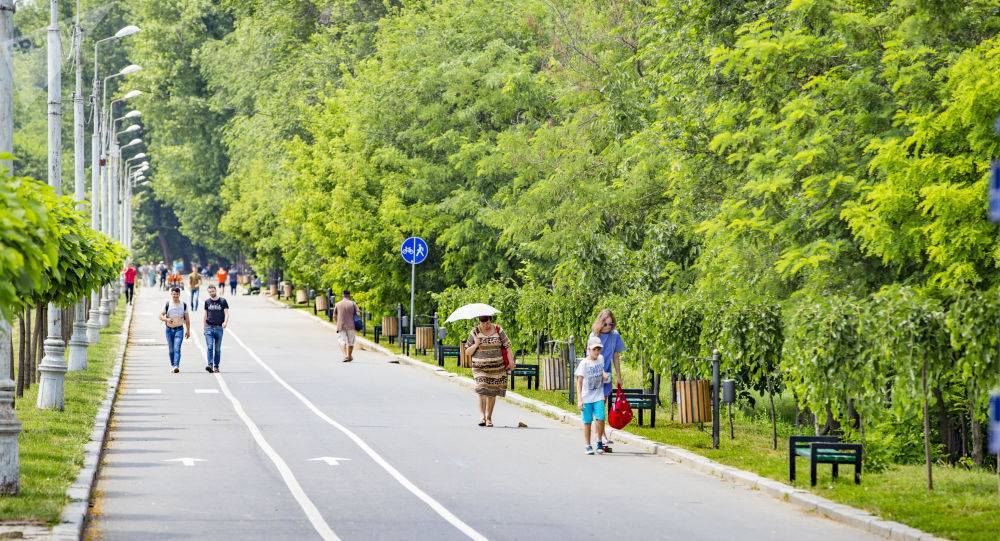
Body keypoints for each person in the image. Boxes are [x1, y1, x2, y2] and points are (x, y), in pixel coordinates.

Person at [465, 314, 512, 427]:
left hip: (497, 368)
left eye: (488, 323)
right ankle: (482, 417)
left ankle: (488, 418)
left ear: (491, 321)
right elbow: (467, 351)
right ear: (479, 322)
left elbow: (507, 345)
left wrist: (511, 360)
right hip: (479, 367)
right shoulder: (474, 332)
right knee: (482, 389)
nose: (486, 325)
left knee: (492, 392)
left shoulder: (498, 329)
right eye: (483, 323)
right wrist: (476, 344)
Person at [589, 309, 625, 453]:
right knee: (598, 405)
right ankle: (601, 435)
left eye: (611, 324)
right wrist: (599, 372)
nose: (609, 327)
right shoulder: (594, 336)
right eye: (606, 324)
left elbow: (616, 356)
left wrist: (619, 375)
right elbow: (590, 357)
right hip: (595, 374)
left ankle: (601, 434)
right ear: (600, 323)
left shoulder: (614, 336)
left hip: (607, 375)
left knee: (602, 404)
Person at [576, 336, 611, 455]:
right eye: (594, 349)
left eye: (598, 349)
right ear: (588, 350)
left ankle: (599, 441)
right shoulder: (584, 363)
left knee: (600, 418)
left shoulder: (601, 358)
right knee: (587, 422)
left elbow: (600, 370)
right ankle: (588, 445)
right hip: (586, 397)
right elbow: (579, 381)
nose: (597, 352)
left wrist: (604, 374)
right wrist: (579, 399)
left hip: (598, 395)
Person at [159, 287, 190, 373]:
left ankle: (176, 365)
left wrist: (188, 330)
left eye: (177, 294)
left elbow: (187, 319)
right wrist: (166, 319)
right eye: (174, 294)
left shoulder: (183, 305)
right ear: (171, 294)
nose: (175, 296)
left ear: (179, 295)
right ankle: (173, 365)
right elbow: (160, 316)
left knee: (177, 348)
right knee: (171, 350)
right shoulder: (168, 304)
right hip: (169, 330)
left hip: (179, 329)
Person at [203, 284, 229, 373]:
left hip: (219, 328)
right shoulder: (207, 302)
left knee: (217, 349)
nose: (211, 293)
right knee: (210, 347)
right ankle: (210, 365)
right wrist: (204, 328)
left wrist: (225, 322)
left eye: (213, 291)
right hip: (209, 327)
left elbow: (226, 313)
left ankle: (216, 366)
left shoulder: (222, 301)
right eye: (210, 292)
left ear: (216, 291)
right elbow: (205, 315)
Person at [333, 290, 359, 362]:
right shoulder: (353, 303)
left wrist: (337, 323)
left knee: (342, 341)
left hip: (341, 326)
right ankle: (349, 356)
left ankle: (345, 356)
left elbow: (334, 315)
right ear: (349, 295)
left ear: (343, 295)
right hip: (351, 326)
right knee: (350, 342)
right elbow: (358, 313)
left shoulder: (338, 304)